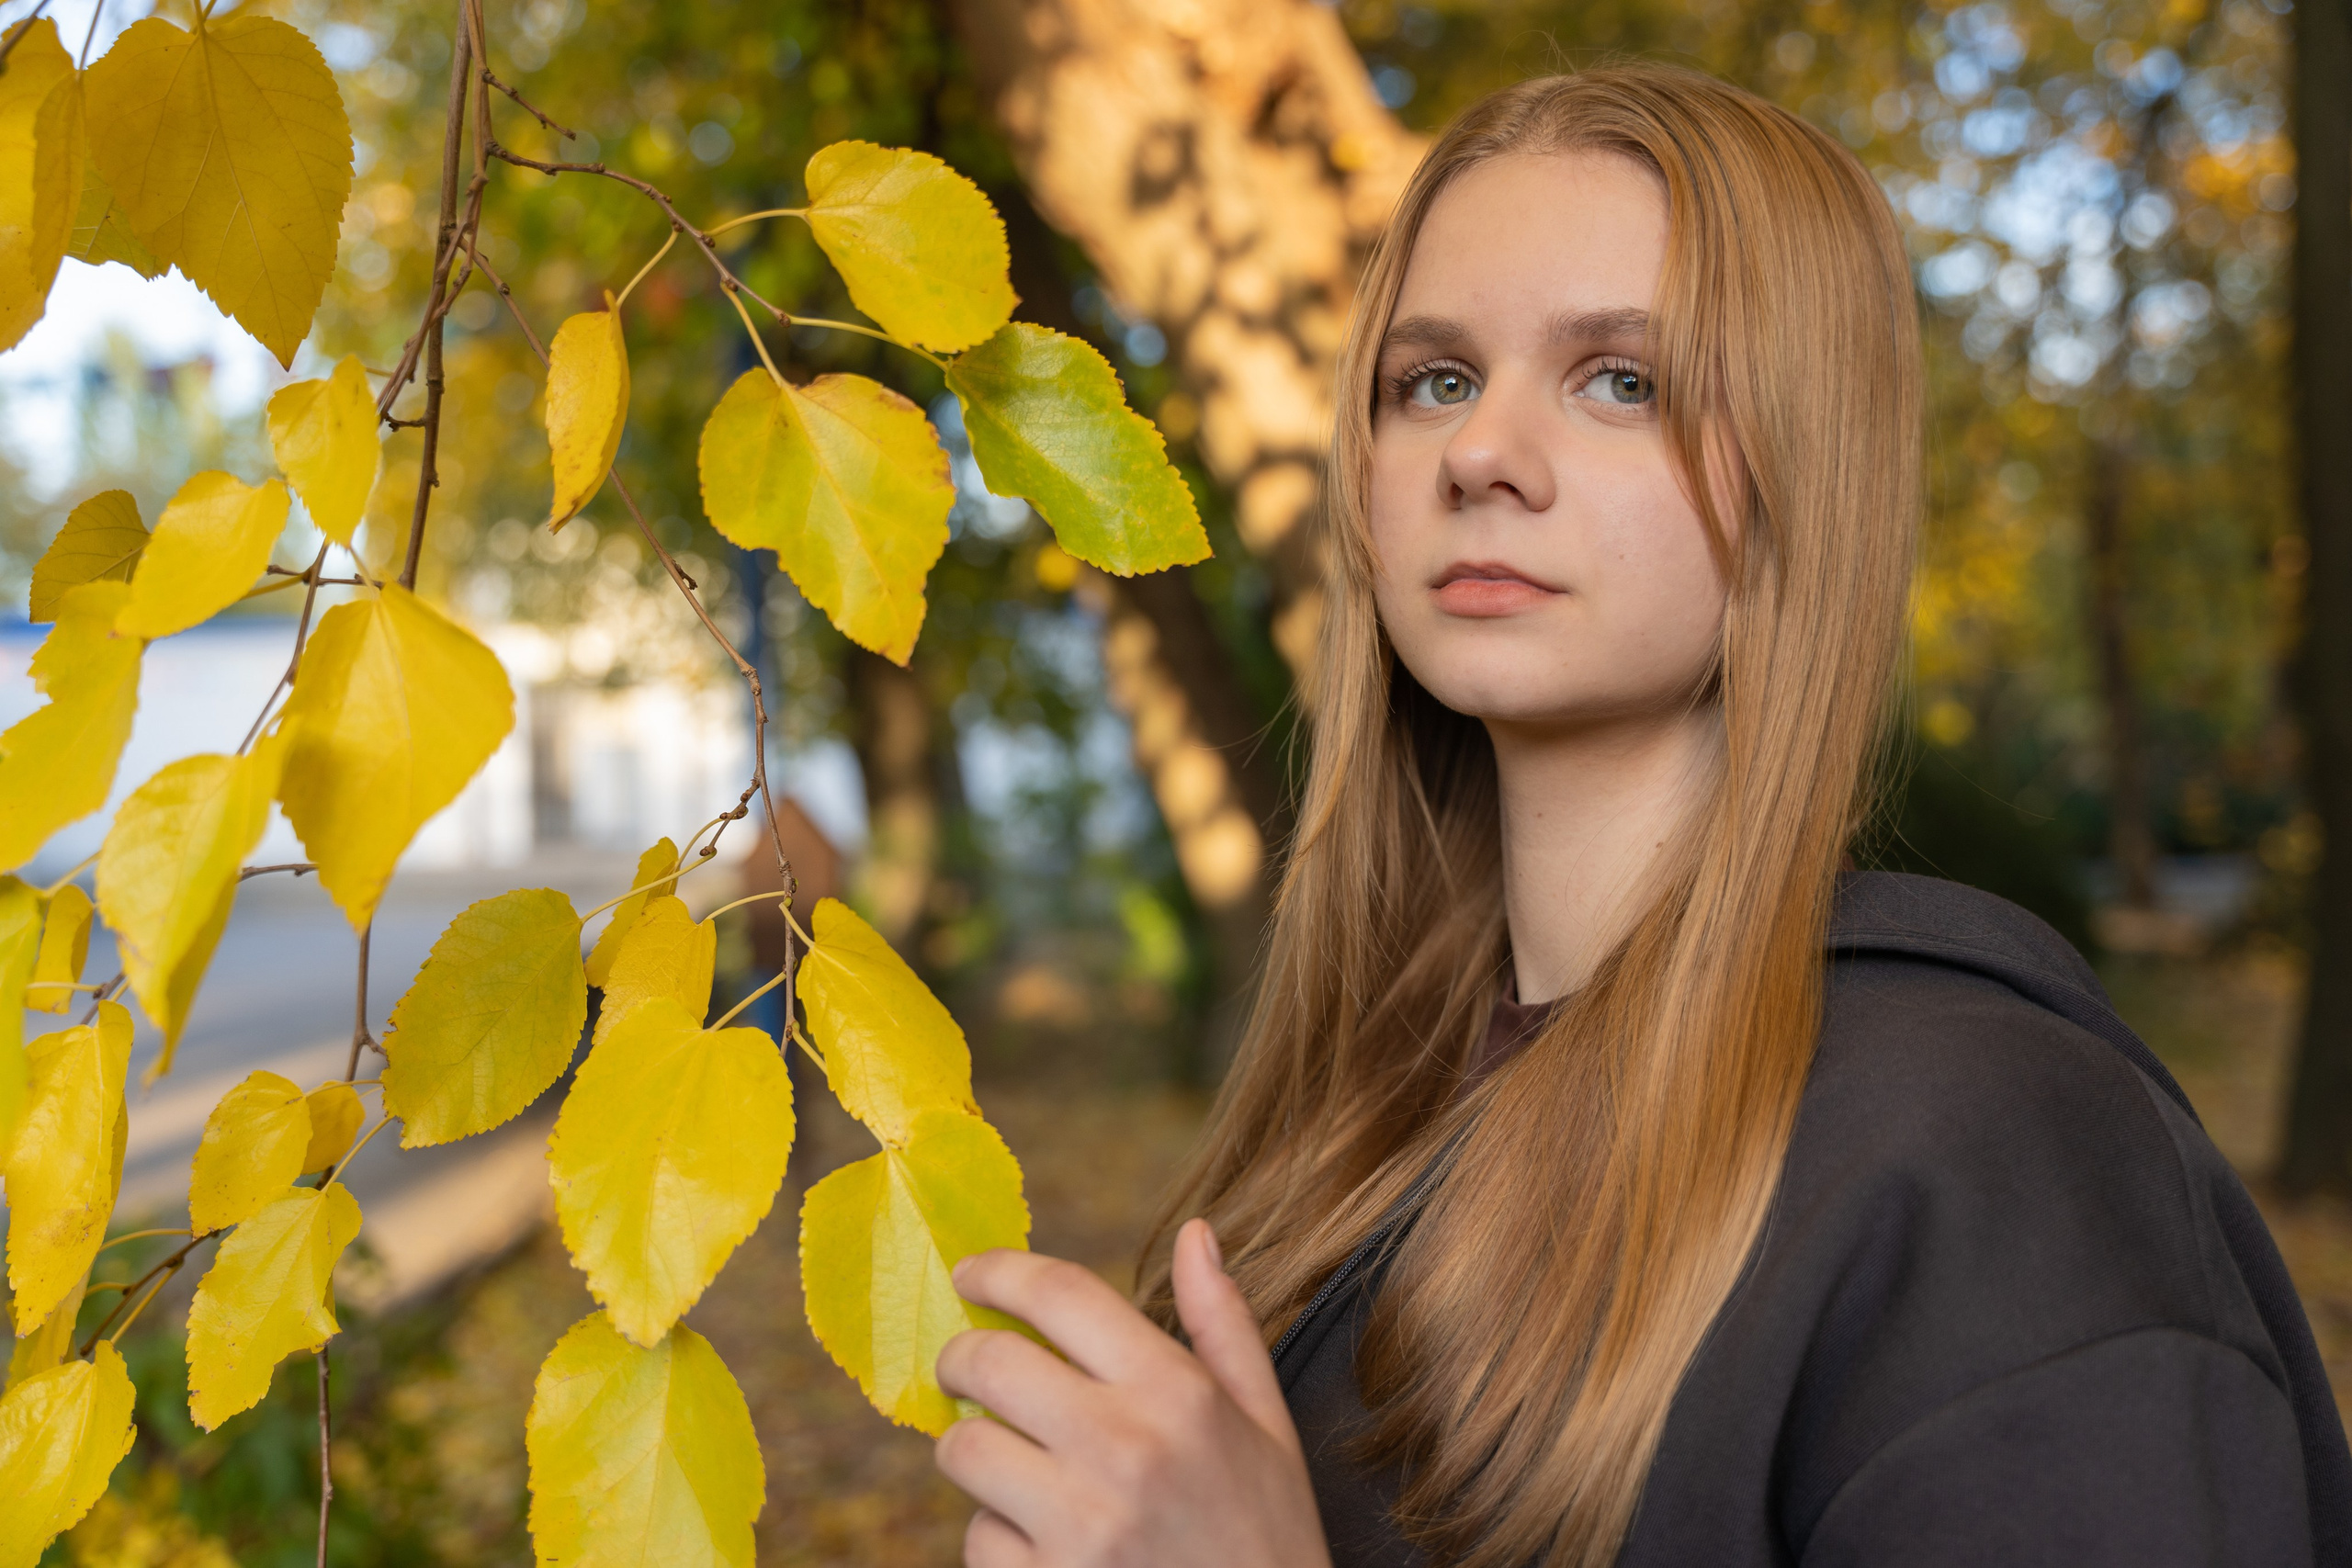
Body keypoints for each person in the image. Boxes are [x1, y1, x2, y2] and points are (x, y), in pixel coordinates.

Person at [926, 62, 2352, 1567]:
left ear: (1806, 470)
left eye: (1623, 379)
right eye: (1435, 380)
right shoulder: (1356, 1120)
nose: (1480, 455)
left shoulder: (1997, 1160)